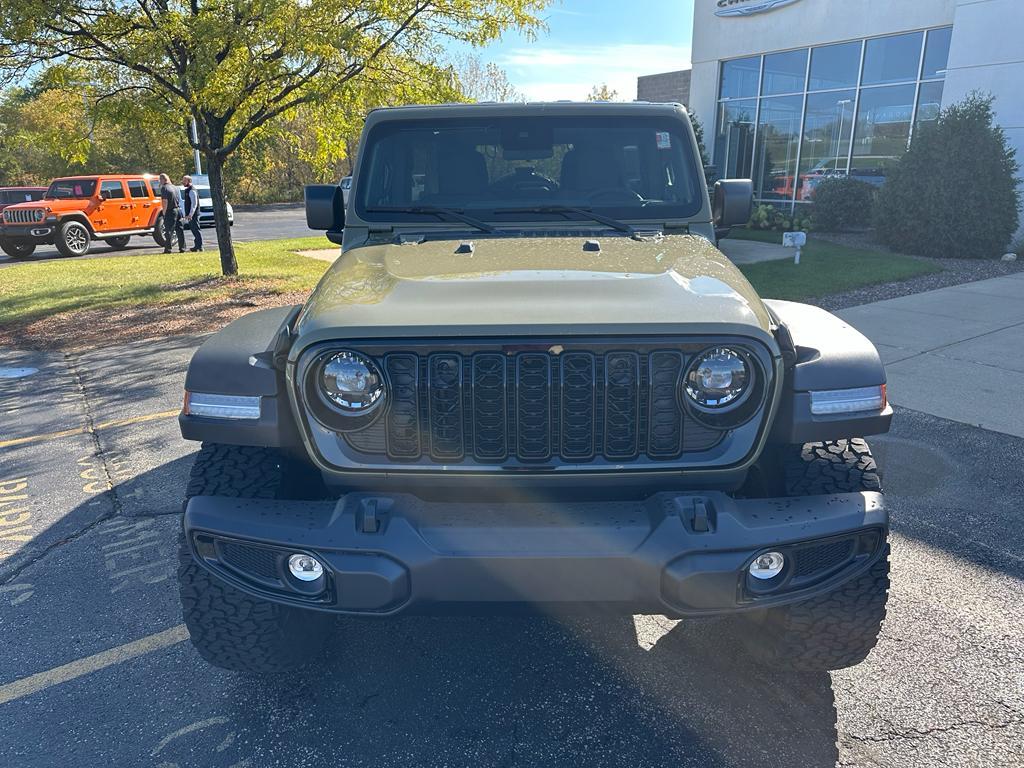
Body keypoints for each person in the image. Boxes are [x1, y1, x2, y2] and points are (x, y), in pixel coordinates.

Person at [158, 172, 185, 254]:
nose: (160, 182)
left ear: (163, 179)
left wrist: (164, 212)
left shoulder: (164, 188)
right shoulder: (175, 187)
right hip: (178, 210)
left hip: (170, 211)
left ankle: (168, 249)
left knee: (168, 230)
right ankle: (182, 248)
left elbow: (165, 201)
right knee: (180, 230)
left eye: (160, 180)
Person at [180, 175, 203, 252]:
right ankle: (197, 246)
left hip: (193, 215)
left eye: (184, 180)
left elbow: (194, 204)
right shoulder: (188, 190)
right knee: (194, 229)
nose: (182, 182)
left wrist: (191, 214)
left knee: (196, 229)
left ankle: (200, 246)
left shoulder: (192, 190)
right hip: (190, 214)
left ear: (189, 181)